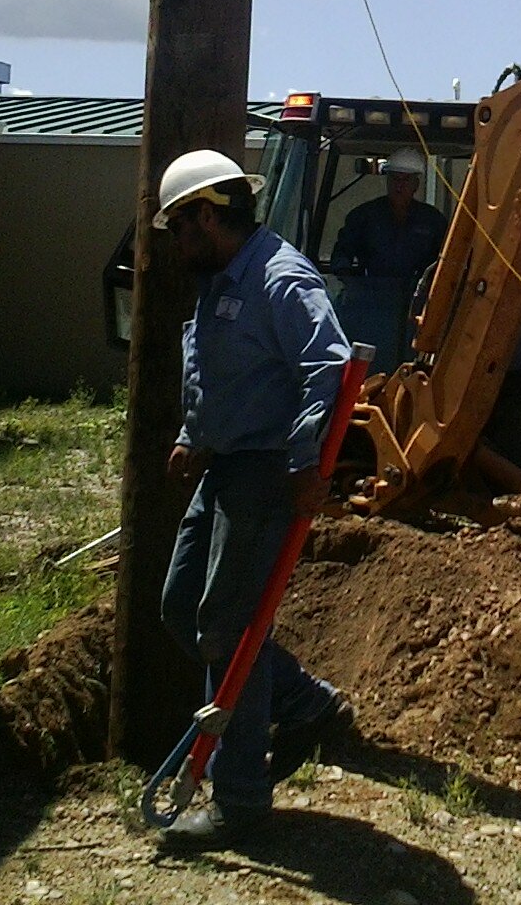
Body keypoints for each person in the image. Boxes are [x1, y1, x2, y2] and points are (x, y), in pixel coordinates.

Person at [153, 148, 354, 850]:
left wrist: (304, 460)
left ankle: (239, 802)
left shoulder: (280, 276)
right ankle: (303, 702)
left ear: (207, 215)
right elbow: (218, 370)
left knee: (227, 631)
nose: (176, 245)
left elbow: (326, 366)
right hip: (224, 467)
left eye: (179, 228)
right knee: (183, 608)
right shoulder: (222, 281)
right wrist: (194, 435)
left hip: (267, 472)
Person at [329, 147, 449, 281]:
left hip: (421, 296)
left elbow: (449, 260)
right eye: (395, 179)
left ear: (416, 184)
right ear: (387, 181)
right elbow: (342, 254)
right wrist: (348, 279)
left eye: (406, 180)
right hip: (371, 295)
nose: (399, 186)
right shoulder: (362, 216)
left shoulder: (433, 220)